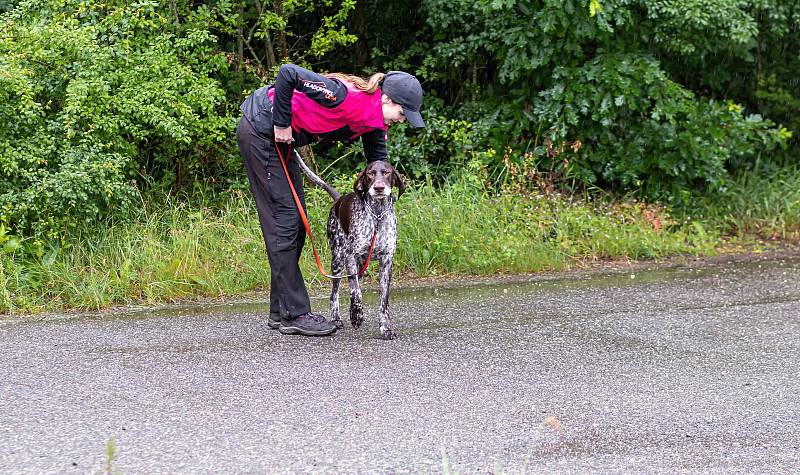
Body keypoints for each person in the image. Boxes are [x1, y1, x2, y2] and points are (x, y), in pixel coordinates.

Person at [237, 63, 425, 337]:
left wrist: (381, 195)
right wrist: (281, 122)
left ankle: (281, 310)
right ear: (386, 99)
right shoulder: (344, 95)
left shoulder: (374, 123)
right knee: (284, 222)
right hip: (261, 130)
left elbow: (378, 164)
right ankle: (295, 314)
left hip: (279, 141)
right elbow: (288, 73)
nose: (402, 119)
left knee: (296, 223)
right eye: (402, 112)